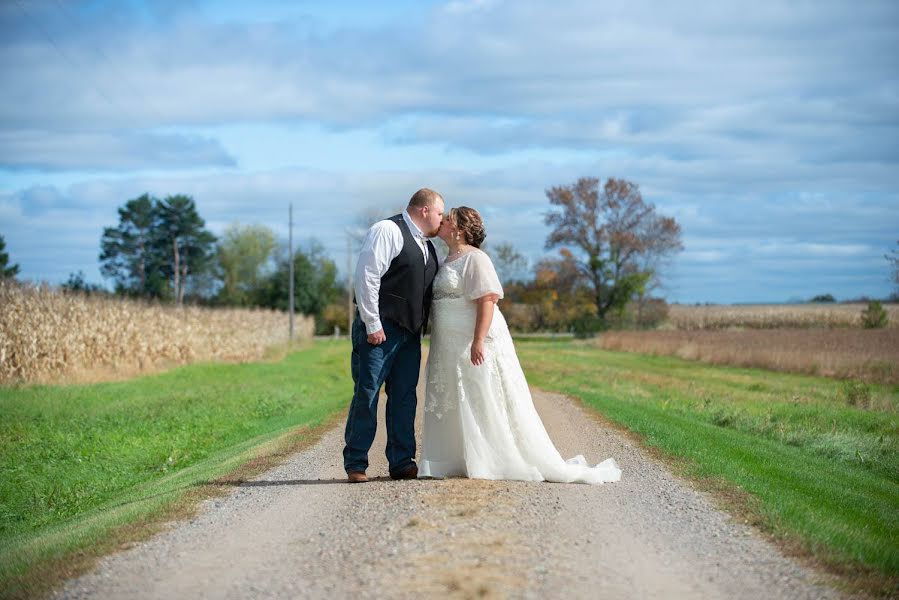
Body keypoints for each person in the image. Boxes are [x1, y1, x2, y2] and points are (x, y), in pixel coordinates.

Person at [419, 207, 621, 484]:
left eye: (448, 219)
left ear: (460, 229)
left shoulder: (476, 259)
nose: (441, 222)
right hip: (447, 342)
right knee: (455, 394)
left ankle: (492, 456)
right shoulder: (446, 259)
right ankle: (458, 457)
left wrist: (478, 340)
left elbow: (487, 301)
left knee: (480, 394)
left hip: (471, 338)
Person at [343, 188, 444, 483]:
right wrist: (372, 323)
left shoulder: (427, 245)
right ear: (425, 210)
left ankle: (401, 462)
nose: (442, 219)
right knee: (368, 392)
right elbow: (367, 277)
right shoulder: (388, 229)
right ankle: (356, 462)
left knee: (404, 397)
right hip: (381, 328)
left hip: (409, 334)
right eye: (440, 213)